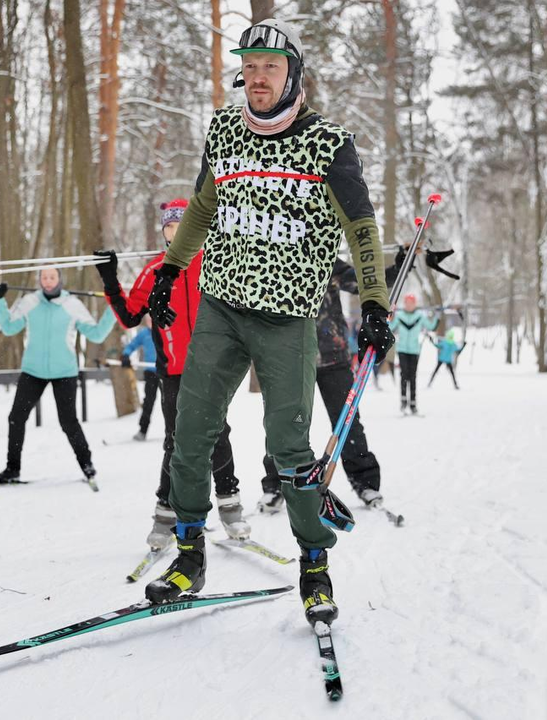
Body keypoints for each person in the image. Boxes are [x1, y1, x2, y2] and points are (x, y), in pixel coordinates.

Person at [141, 19, 394, 630]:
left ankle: (313, 564)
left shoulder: (328, 142)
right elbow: (202, 206)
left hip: (287, 318)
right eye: (250, 66)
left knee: (289, 446)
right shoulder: (225, 129)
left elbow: (360, 227)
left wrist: (376, 305)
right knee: (190, 432)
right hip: (221, 307)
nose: (257, 78)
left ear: (293, 76)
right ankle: (189, 554)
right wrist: (172, 275)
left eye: (270, 68)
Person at [94, 199, 248, 550]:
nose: (176, 233)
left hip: (212, 368)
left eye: (183, 227)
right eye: (170, 228)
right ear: (164, 231)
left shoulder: (216, 262)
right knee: (176, 441)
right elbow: (130, 317)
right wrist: (109, 279)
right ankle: (166, 514)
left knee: (217, 434)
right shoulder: (155, 271)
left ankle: (230, 504)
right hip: (174, 371)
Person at [257, 251, 404, 513]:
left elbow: (365, 282)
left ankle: (365, 482)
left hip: (332, 356)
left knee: (347, 422)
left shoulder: (323, 256)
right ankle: (276, 485)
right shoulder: (273, 258)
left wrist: (398, 267)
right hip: (290, 359)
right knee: (283, 425)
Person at [0, 268, 116, 484]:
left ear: (59, 279)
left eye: (52, 277)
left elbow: (96, 334)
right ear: (39, 280)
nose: (48, 281)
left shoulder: (72, 305)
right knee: (16, 418)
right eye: (44, 277)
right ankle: (13, 468)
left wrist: (114, 308)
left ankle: (87, 464)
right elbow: (9, 328)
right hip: (33, 371)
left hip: (64, 372)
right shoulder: (30, 302)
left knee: (68, 421)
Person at [389, 293, 439, 414]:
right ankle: (403, 401)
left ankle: (413, 404)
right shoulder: (400, 316)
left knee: (412, 376)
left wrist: (437, 315)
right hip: (402, 350)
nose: (409, 305)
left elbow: (431, 326)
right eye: (407, 303)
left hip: (414, 350)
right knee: (404, 375)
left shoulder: (420, 316)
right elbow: (390, 327)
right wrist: (388, 317)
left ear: (415, 304)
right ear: (405, 304)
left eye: (412, 303)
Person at [121, 314, 159, 441]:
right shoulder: (144, 334)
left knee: (170, 403)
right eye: (148, 319)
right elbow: (132, 345)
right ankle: (143, 430)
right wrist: (126, 355)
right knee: (148, 401)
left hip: (166, 372)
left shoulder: (165, 330)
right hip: (151, 373)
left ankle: (173, 431)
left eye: (152, 319)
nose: (151, 322)